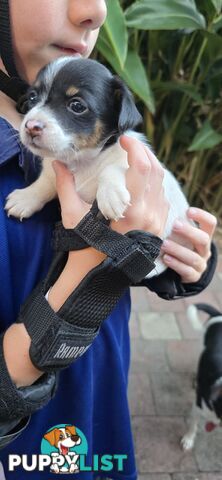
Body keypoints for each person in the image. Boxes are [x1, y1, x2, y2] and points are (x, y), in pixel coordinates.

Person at [0, 1, 217, 479]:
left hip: (100, 405)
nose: (96, 10)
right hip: (29, 439)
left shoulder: (101, 152)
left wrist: (186, 265)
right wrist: (90, 270)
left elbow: (151, 236)